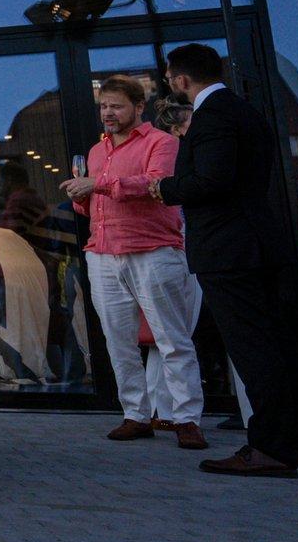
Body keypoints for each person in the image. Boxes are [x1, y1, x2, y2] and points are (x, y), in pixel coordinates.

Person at [153, 43, 298, 478]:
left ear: (180, 79)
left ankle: (269, 447)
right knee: (281, 344)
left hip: (229, 249)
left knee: (254, 348)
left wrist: (165, 189)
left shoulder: (212, 118)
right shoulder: (245, 111)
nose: (170, 84)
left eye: (170, 77)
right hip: (257, 241)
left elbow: (211, 179)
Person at [61, 77, 206, 449]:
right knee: (118, 340)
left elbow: (156, 184)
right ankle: (136, 415)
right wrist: (80, 194)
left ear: (139, 107)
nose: (108, 113)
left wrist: (99, 185)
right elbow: (91, 206)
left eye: (116, 106)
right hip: (103, 253)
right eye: (103, 106)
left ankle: (186, 419)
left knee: (171, 338)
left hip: (153, 250)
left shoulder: (163, 142)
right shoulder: (95, 152)